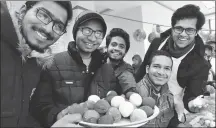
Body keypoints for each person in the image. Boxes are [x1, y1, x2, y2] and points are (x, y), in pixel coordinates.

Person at [29, 10, 110, 127]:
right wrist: (57, 115)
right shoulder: (53, 63)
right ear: (76, 31)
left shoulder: (106, 68)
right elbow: (38, 105)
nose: (92, 38)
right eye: (87, 30)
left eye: (98, 33)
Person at [135, 4, 210, 126]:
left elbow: (191, 96)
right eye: (178, 28)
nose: (183, 34)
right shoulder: (157, 43)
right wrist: (130, 92)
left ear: (196, 32)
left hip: (171, 112)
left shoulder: (201, 64)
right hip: (143, 104)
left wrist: (193, 104)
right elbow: (142, 70)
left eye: (190, 30)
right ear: (172, 28)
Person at [1, 1, 72, 127]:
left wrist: (56, 119)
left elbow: (21, 116)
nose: (48, 29)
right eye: (44, 15)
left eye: (58, 26)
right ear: (23, 11)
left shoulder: (36, 63)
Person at [137, 50, 177, 127]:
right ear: (147, 69)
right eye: (156, 66)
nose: (161, 72)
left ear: (171, 72)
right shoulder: (135, 94)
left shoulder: (169, 96)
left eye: (166, 68)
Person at [105, 28, 137, 94]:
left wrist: (131, 95)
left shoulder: (126, 69)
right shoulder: (96, 62)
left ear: (125, 52)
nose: (117, 48)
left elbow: (130, 87)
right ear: (107, 47)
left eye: (121, 47)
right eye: (113, 44)